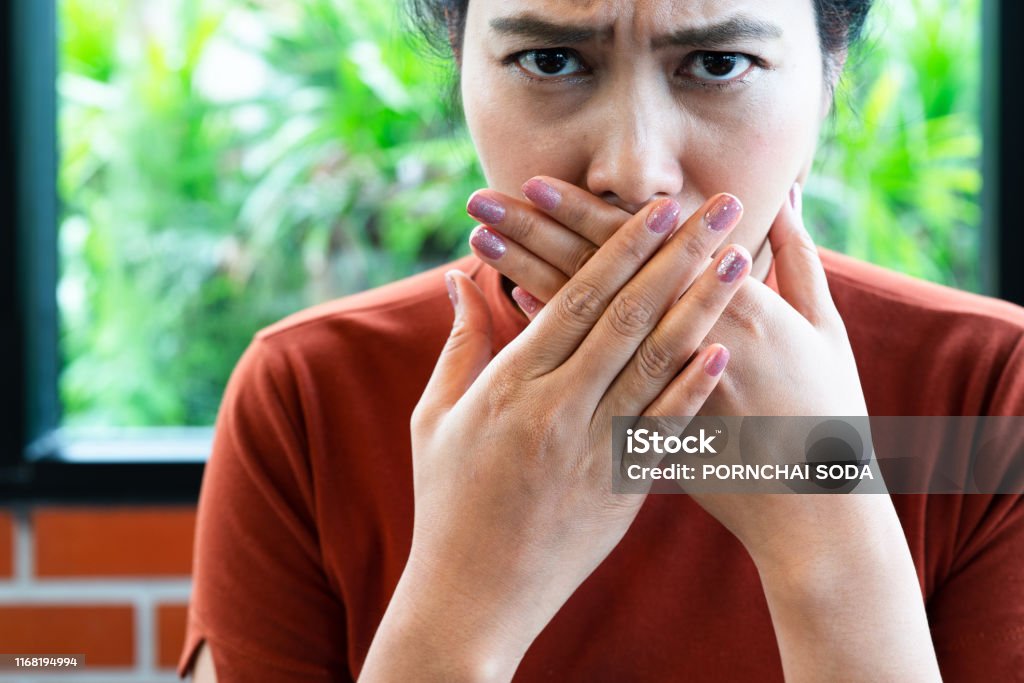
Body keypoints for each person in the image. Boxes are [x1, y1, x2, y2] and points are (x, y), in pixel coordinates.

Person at [179, 1, 1024, 681]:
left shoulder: (992, 394)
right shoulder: (310, 393)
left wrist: (831, 527)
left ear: (828, 71)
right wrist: (461, 598)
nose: (633, 168)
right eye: (551, 61)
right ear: (461, 62)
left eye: (718, 63)